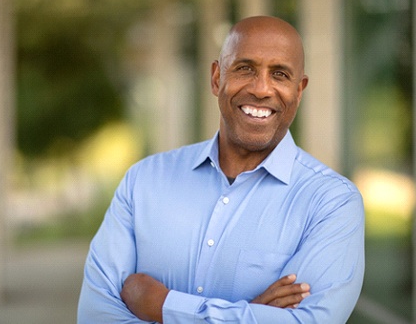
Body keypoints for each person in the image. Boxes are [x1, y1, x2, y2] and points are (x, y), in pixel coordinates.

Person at [77, 16, 364, 323]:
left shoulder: (332, 202)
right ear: (216, 78)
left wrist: (162, 305)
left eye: (279, 74)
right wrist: (250, 313)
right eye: (245, 69)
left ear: (299, 90)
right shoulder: (143, 182)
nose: (262, 89)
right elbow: (95, 315)